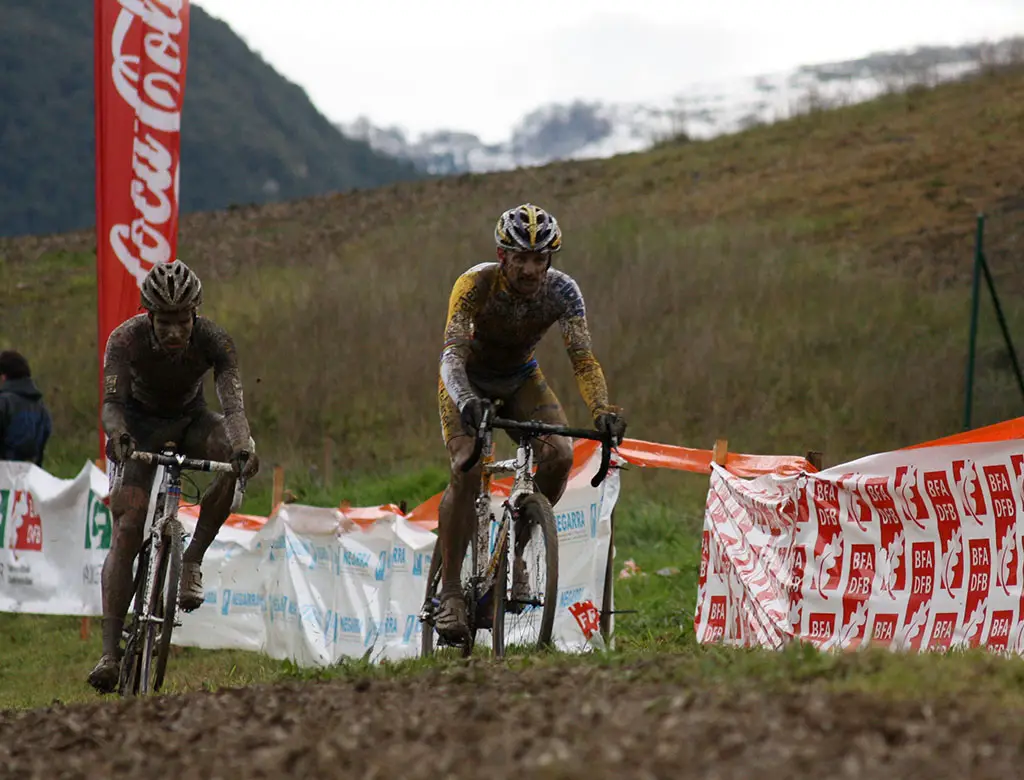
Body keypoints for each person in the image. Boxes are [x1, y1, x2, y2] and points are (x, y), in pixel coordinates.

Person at [434, 202, 627, 641]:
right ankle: (449, 595)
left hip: (520, 376)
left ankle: (516, 554)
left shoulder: (563, 292)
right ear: (503, 256)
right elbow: (451, 355)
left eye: (538, 259)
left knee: (559, 454)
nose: (529, 269)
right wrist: (466, 400)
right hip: (467, 377)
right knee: (467, 465)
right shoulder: (474, 284)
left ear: (550, 260)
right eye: (519, 258)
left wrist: (602, 411)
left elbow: (583, 359)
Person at [87, 259, 259, 694]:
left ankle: (193, 559)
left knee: (233, 453)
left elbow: (233, 405)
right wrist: (119, 434)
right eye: (164, 322)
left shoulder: (215, 339)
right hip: (137, 428)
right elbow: (110, 404)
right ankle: (109, 653)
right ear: (149, 315)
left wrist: (243, 445)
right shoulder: (124, 339)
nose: (174, 332)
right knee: (127, 528)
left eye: (182, 321)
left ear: (195, 314)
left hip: (190, 421)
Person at [0, 350, 53, 467]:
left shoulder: (4, 403)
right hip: (31, 478)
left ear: (3, 377)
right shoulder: (42, 408)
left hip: (5, 477)